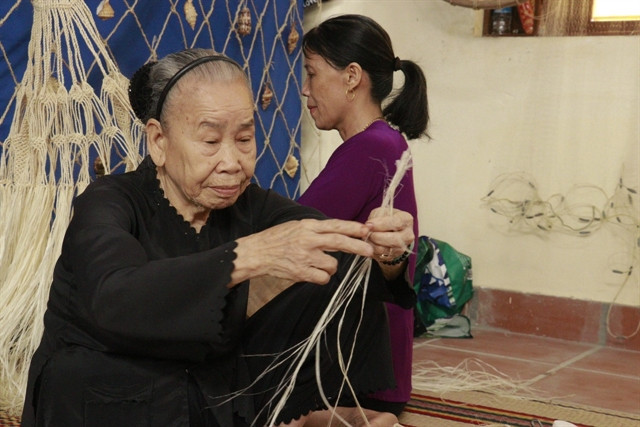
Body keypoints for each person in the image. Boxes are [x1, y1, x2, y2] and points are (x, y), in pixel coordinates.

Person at [20, 48, 416, 427]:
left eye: (244, 140)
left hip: (207, 385)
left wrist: (386, 252)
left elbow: (333, 248)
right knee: (131, 378)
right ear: (159, 141)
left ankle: (295, 414)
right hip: (107, 390)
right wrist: (247, 256)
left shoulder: (251, 205)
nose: (232, 162)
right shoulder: (109, 202)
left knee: (328, 276)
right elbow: (113, 297)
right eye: (211, 141)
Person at [298, 14, 429, 416]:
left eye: (312, 73)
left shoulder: (370, 148)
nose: (305, 90)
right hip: (379, 369)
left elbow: (292, 229)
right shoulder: (383, 140)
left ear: (352, 77)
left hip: (363, 378)